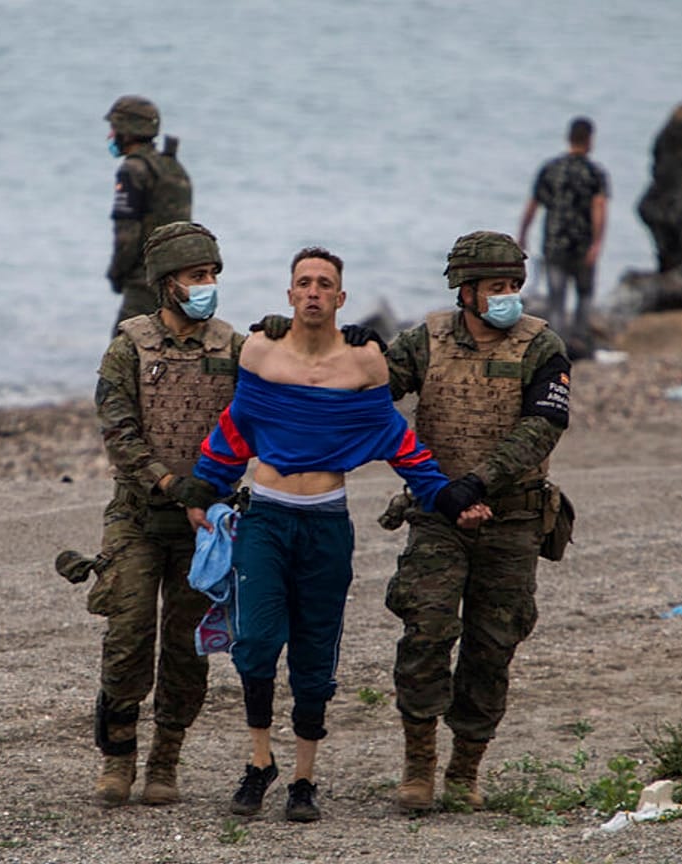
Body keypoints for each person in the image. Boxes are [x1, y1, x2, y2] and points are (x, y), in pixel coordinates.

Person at [185, 247, 489, 823]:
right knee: (253, 642)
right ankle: (258, 762)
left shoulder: (364, 366)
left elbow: (402, 445)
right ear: (290, 294)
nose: (315, 291)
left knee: (315, 650)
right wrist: (203, 491)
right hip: (266, 517)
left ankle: (303, 778)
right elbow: (235, 429)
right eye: (305, 283)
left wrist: (451, 500)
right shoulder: (258, 354)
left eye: (325, 283)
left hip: (326, 522)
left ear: (341, 298)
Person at [381, 230, 572, 811]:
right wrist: (351, 351)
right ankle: (419, 767)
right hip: (439, 517)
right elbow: (369, 394)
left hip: (512, 520)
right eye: (496, 286)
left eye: (514, 285)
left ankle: (465, 772)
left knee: (493, 646)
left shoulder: (543, 346)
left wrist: (479, 481)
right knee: (425, 633)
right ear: (466, 291)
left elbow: (543, 425)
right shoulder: (426, 341)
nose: (509, 296)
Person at [81, 221, 243, 808]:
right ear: (167, 283)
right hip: (139, 515)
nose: (209, 286)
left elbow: (267, 407)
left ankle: (165, 759)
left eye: (213, 275)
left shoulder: (234, 347)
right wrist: (173, 483)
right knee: (127, 637)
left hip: (204, 527)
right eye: (198, 276)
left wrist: (290, 337)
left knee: (186, 645)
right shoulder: (129, 345)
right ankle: (117, 757)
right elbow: (119, 431)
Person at [517, 117, 608, 351]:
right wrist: (597, 243)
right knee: (584, 294)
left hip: (554, 244)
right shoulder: (594, 173)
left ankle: (558, 345)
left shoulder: (551, 169)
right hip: (583, 245)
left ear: (568, 138)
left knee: (556, 298)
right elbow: (599, 208)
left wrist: (523, 235)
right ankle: (579, 339)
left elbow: (532, 205)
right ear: (590, 140)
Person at [105, 95, 193, 336]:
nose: (110, 136)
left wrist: (116, 274)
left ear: (127, 130)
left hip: (143, 282)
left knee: (120, 358)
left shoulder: (133, 170)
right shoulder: (172, 167)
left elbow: (127, 237)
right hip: (178, 281)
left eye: (114, 128)